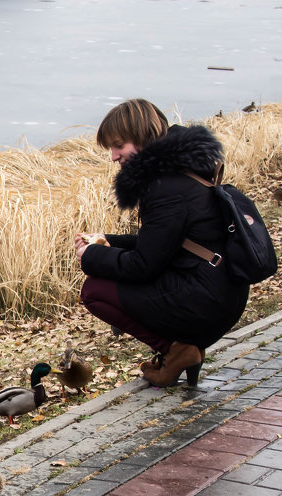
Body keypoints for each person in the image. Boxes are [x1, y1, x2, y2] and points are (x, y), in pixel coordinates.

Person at [74, 99, 249, 387]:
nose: (114, 156)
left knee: (94, 290)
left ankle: (178, 351)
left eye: (119, 145)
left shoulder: (165, 186)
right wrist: (108, 240)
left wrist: (90, 257)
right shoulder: (182, 170)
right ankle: (183, 350)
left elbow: (144, 265)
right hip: (223, 288)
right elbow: (162, 243)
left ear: (143, 137)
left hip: (207, 298)